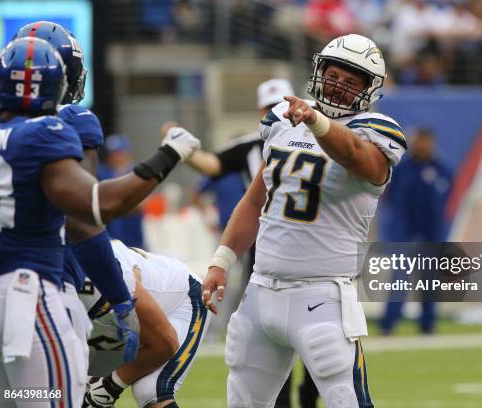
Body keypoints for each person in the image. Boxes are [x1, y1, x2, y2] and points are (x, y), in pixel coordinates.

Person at [203, 33, 406, 407]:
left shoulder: (377, 130)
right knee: (243, 401)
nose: (338, 86)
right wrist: (222, 259)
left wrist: (317, 122)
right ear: (318, 72)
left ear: (368, 90)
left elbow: (358, 157)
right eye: (333, 75)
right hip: (261, 289)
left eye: (351, 81)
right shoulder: (282, 119)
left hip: (322, 294)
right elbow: (254, 201)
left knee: (347, 399)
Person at [0, 37, 199, 408]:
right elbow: (92, 210)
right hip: (32, 293)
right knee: (57, 399)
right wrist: (169, 155)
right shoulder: (49, 130)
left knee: (11, 397)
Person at [181, 77, 320, 407]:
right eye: (269, 108)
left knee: (320, 337)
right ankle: (284, 400)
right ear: (260, 112)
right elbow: (215, 167)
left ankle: (308, 396)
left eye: (281, 106)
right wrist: (181, 150)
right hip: (266, 245)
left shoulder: (321, 133)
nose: (276, 113)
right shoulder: (250, 145)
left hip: (317, 246)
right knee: (272, 331)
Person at [12, 21, 146, 362]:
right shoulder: (70, 121)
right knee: (55, 395)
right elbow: (84, 219)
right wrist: (120, 299)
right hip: (44, 285)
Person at [81, 240, 210, 408]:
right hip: (115, 321)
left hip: (182, 301)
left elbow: (165, 343)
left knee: (151, 391)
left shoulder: (101, 280)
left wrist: (110, 386)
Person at [379, 128, 451, 335]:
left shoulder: (442, 169)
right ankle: (389, 324)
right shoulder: (401, 169)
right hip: (405, 234)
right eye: (420, 141)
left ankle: (427, 325)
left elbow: (445, 198)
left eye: (427, 141)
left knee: (430, 282)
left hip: (432, 235)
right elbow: (390, 197)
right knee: (400, 280)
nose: (423, 146)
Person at [99, 135, 146, 249]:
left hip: (132, 235)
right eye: (112, 154)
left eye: (119, 153)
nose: (116, 158)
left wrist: (115, 205)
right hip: (111, 236)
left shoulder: (138, 172)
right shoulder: (103, 172)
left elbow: (142, 204)